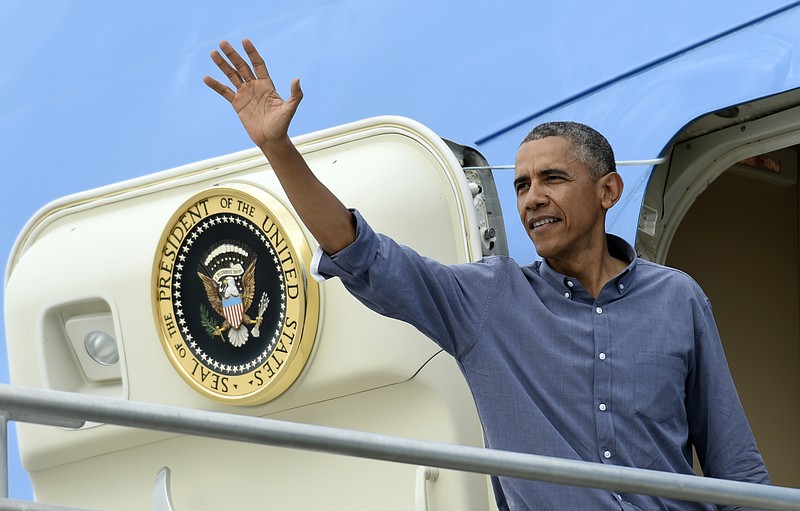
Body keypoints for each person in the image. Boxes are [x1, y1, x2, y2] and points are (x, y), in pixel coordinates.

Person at [204, 39, 770, 510]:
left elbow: (734, 464)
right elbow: (362, 253)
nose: (532, 198)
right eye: (522, 185)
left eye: (552, 178)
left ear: (608, 191)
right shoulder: (488, 297)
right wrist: (277, 149)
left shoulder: (678, 297)